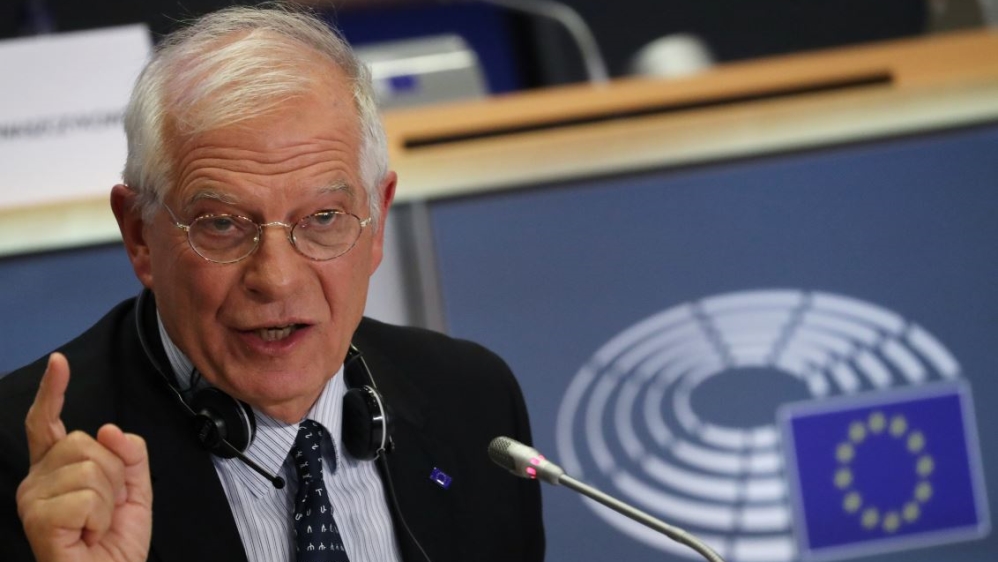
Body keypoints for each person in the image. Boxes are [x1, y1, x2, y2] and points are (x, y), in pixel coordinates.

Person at [0, 4, 544, 562]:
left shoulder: (474, 401)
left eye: (324, 218)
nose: (277, 278)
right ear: (141, 235)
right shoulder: (26, 472)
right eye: (221, 224)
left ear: (376, 219)